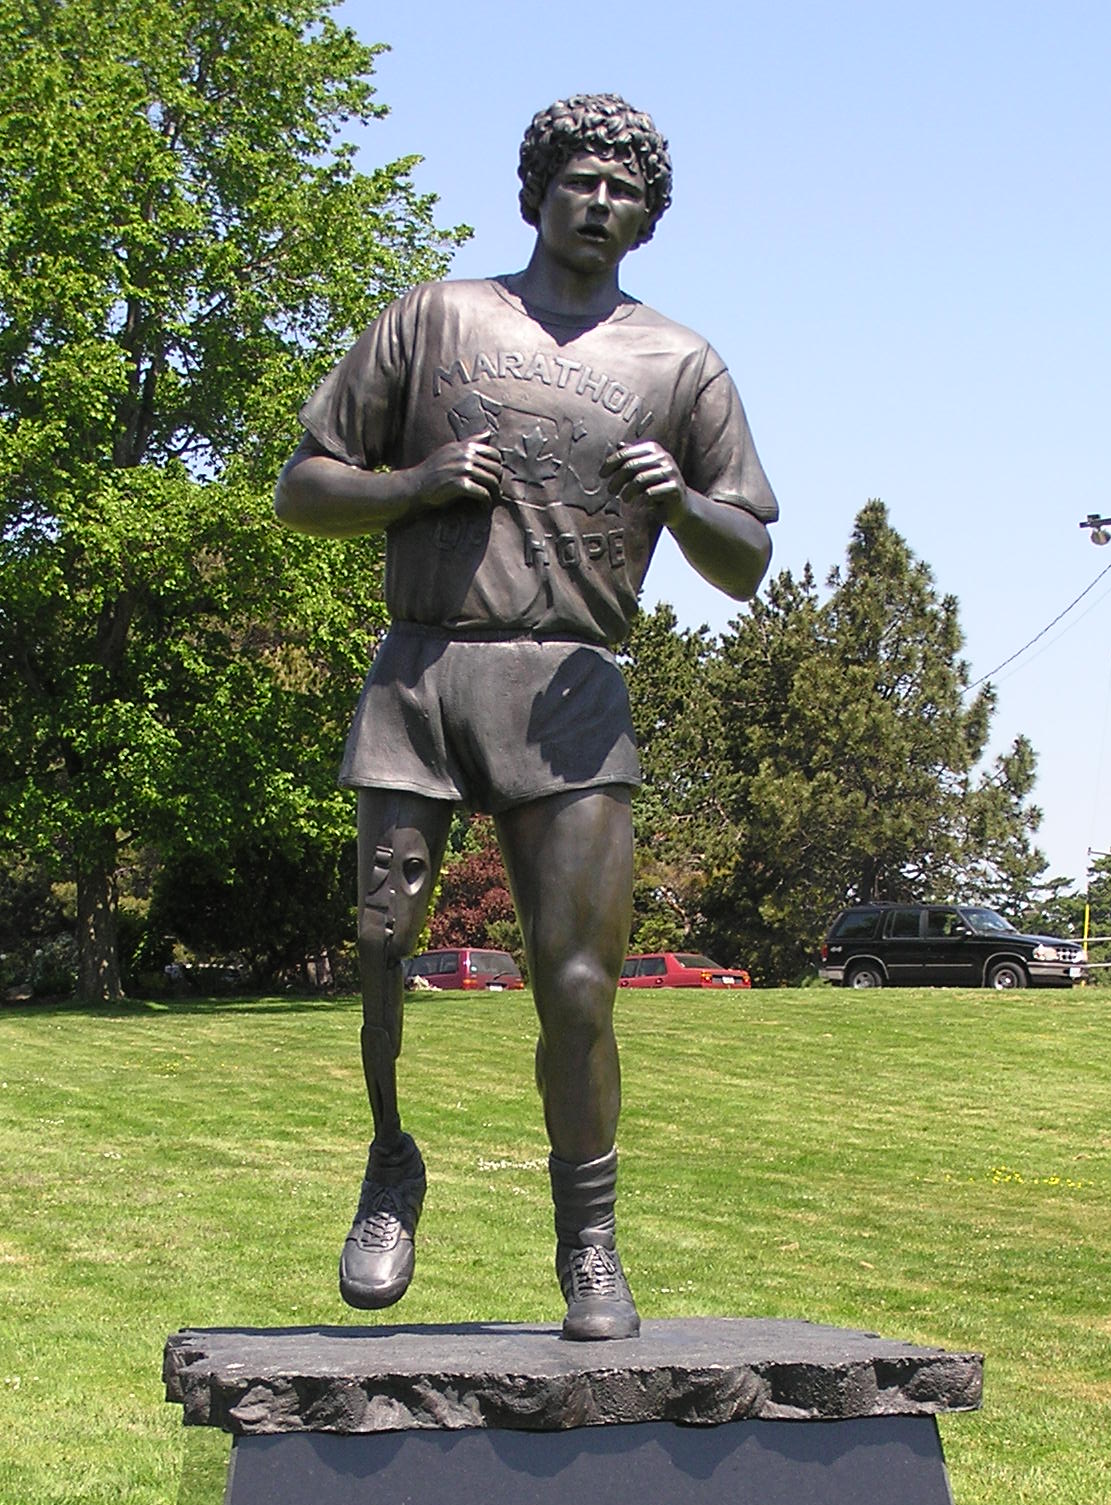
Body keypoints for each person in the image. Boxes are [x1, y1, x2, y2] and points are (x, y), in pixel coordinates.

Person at [276, 92, 777, 1339]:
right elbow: (303, 487)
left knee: (576, 982)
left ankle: (589, 1241)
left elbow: (748, 551)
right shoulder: (435, 318)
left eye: (624, 189)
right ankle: (393, 1160)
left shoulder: (678, 361)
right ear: (536, 190)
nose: (599, 202)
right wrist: (414, 484)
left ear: (648, 218)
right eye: (580, 180)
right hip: (425, 673)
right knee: (385, 949)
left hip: (569, 693)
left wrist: (682, 499)